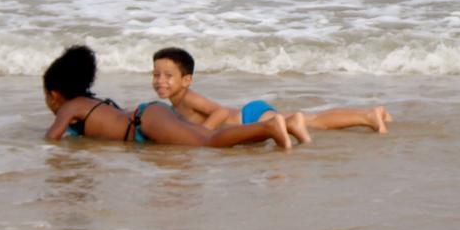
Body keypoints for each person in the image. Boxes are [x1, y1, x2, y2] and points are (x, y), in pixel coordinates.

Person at [43, 45, 292, 148]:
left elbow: (51, 140)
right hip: (148, 116)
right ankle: (267, 130)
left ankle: (269, 127)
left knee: (208, 141)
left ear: (55, 95)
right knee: (207, 137)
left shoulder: (70, 107)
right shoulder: (91, 101)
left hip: (146, 121)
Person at [151, 47, 392, 141]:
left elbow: (220, 111)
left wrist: (205, 132)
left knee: (314, 122)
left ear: (187, 80)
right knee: (311, 119)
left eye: (168, 75)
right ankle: (370, 113)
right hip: (250, 114)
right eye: (156, 75)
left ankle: (368, 117)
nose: (160, 81)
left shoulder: (188, 97)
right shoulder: (176, 104)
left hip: (249, 119)